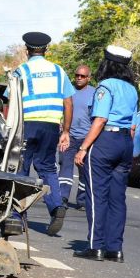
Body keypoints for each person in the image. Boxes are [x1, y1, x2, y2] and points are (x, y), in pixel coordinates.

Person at [72, 45, 138, 263]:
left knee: (96, 195)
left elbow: (100, 119)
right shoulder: (132, 89)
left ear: (107, 64)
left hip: (105, 142)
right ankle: (115, 249)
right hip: (125, 143)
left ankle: (96, 246)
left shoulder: (105, 87)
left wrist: (83, 148)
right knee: (117, 198)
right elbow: (133, 126)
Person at [13, 32, 76, 236]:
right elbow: (68, 102)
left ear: (27, 50)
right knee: (47, 167)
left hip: (27, 124)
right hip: (50, 125)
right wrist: (65, 130)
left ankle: (16, 217)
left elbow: (12, 101)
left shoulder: (21, 70)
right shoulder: (59, 71)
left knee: (21, 169)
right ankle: (57, 206)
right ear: (46, 50)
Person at [58, 65, 95, 211]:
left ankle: (82, 200)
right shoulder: (67, 91)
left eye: (83, 76)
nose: (79, 78)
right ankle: (62, 198)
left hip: (86, 139)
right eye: (77, 75)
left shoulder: (94, 93)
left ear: (89, 78)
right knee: (65, 167)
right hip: (69, 137)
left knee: (84, 171)